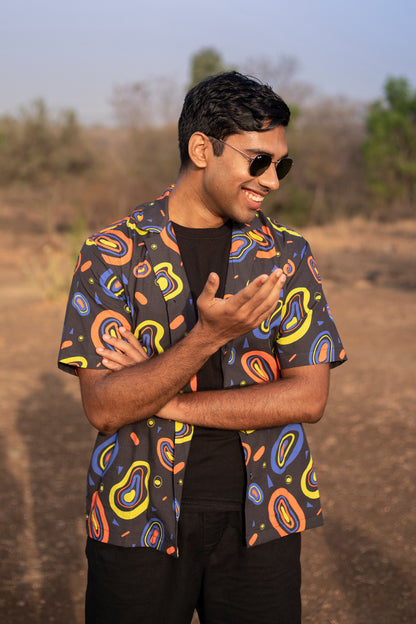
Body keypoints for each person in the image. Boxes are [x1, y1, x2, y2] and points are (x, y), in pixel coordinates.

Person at [58, 71, 346, 624]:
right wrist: (208, 338)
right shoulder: (111, 253)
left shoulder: (287, 255)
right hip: (134, 517)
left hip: (265, 515)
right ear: (201, 149)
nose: (272, 181)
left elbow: (308, 399)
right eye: (258, 161)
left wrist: (160, 397)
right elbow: (105, 406)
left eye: (280, 165)